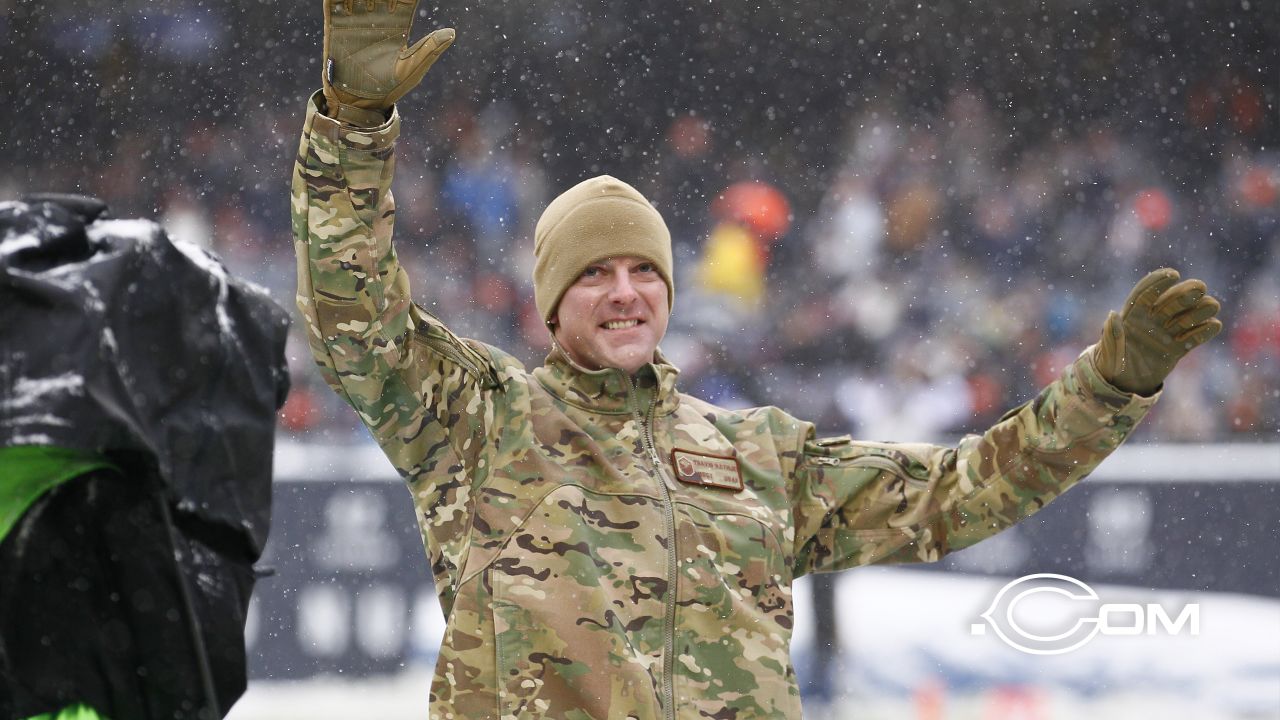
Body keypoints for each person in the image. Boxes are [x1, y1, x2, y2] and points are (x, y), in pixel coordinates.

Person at [291, 3, 1223, 717]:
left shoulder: (759, 459)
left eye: (643, 271)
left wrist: (1110, 387)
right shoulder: (478, 422)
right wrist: (354, 123)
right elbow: (354, 316)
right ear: (550, 304)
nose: (625, 292)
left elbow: (964, 489)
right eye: (595, 275)